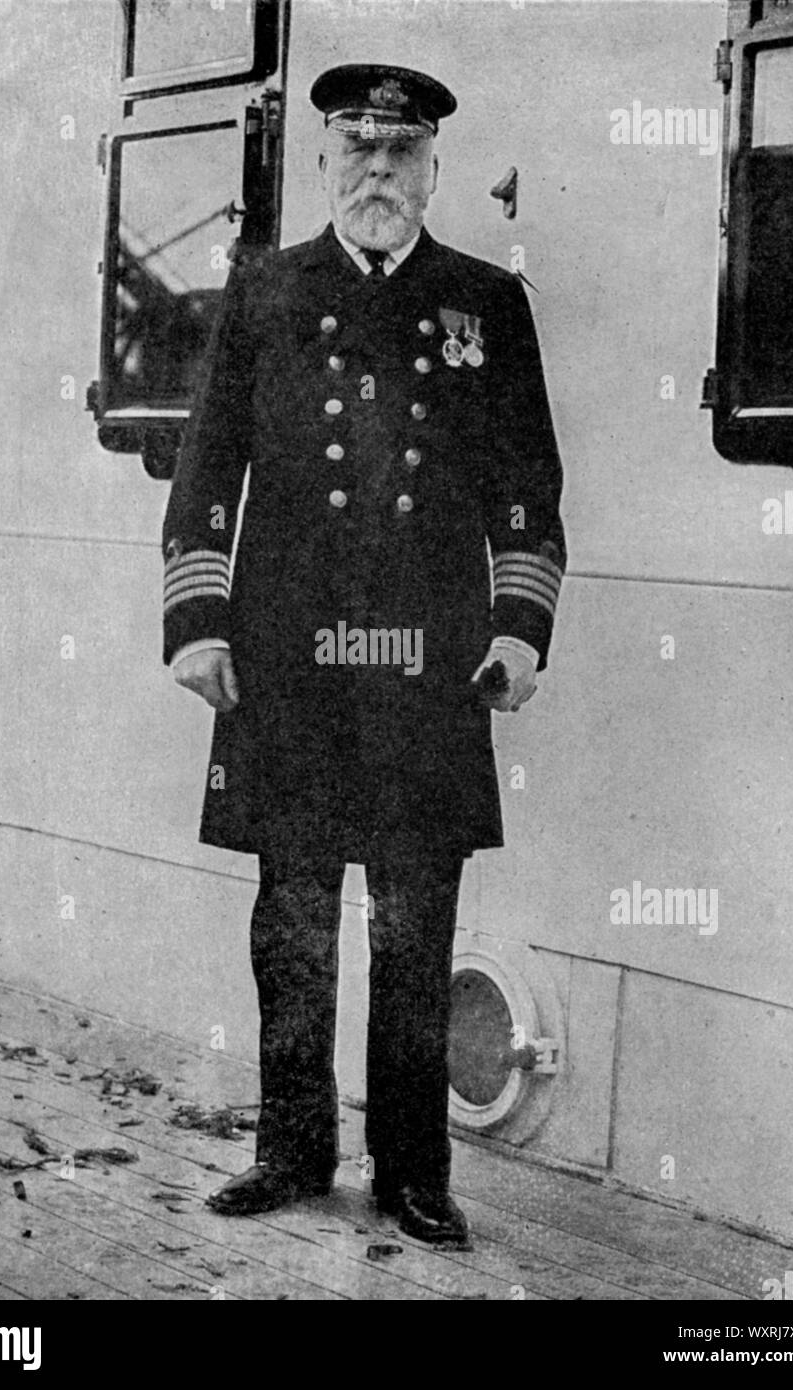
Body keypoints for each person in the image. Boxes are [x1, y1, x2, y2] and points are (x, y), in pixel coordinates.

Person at [162, 63, 567, 1247]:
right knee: (289, 913)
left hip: (426, 668)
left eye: (400, 153)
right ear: (327, 161)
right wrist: (198, 622)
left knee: (412, 920)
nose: (377, 172)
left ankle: (409, 1168)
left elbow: (527, 484)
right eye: (357, 150)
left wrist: (517, 623)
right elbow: (207, 471)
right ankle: (290, 1148)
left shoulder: (484, 303)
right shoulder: (264, 290)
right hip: (287, 662)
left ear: (432, 168)